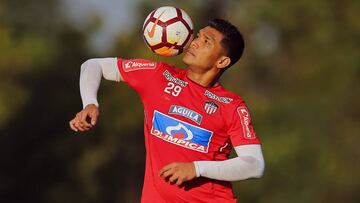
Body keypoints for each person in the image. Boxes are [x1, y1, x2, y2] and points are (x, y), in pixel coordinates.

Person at [69, 18, 265, 203]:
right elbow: (93, 65)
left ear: (222, 62)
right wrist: (90, 103)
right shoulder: (159, 76)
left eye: (206, 41)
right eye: (197, 36)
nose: (194, 42)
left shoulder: (231, 106)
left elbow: (254, 164)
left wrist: (196, 169)